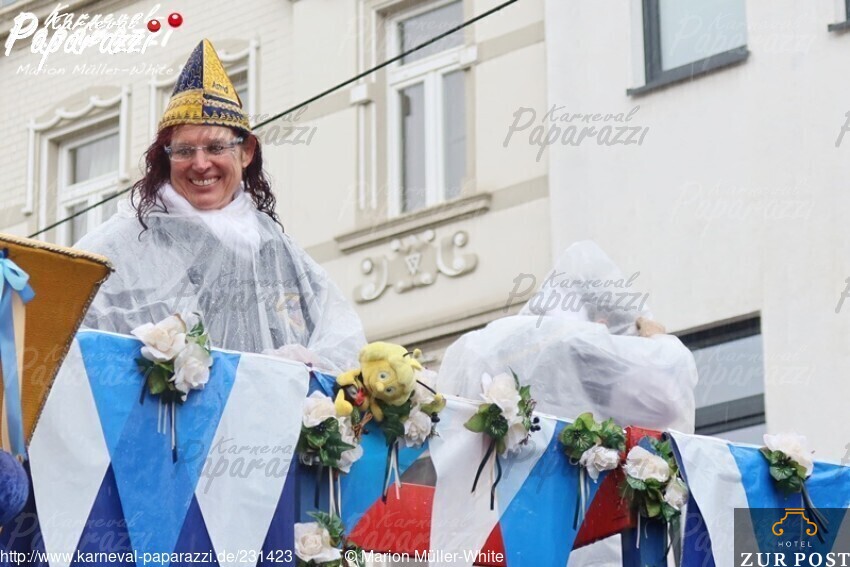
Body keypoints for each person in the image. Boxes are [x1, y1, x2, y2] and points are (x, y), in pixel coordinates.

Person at [75, 39, 365, 373]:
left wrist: (303, 366)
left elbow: (343, 342)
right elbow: (67, 335)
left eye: (215, 148)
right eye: (184, 151)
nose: (201, 164)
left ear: (246, 152)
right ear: (166, 159)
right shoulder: (121, 245)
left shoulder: (276, 248)